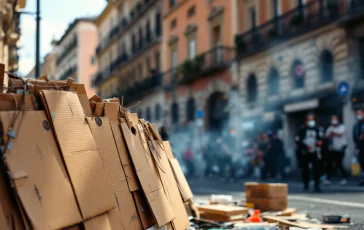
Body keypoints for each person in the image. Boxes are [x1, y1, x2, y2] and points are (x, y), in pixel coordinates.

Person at [295, 113, 322, 192]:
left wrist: (318, 144)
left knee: (317, 169)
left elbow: (320, 140)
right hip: (305, 152)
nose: (311, 121)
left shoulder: (317, 129)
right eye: (309, 120)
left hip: (315, 151)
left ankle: (317, 185)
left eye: (312, 120)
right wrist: (305, 146)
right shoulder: (302, 129)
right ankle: (306, 184)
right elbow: (297, 140)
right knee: (305, 169)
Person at [324, 115, 347, 185]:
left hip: (341, 147)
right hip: (333, 148)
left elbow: (339, 134)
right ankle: (328, 179)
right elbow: (326, 136)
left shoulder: (341, 127)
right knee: (329, 164)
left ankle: (344, 178)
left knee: (339, 163)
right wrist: (330, 133)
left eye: (335, 119)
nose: (334, 120)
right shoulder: (330, 128)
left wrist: (332, 133)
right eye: (332, 119)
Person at [353, 109, 364, 186]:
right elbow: (355, 136)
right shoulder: (357, 125)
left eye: (360, 113)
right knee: (362, 162)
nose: (358, 115)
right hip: (360, 147)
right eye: (357, 114)